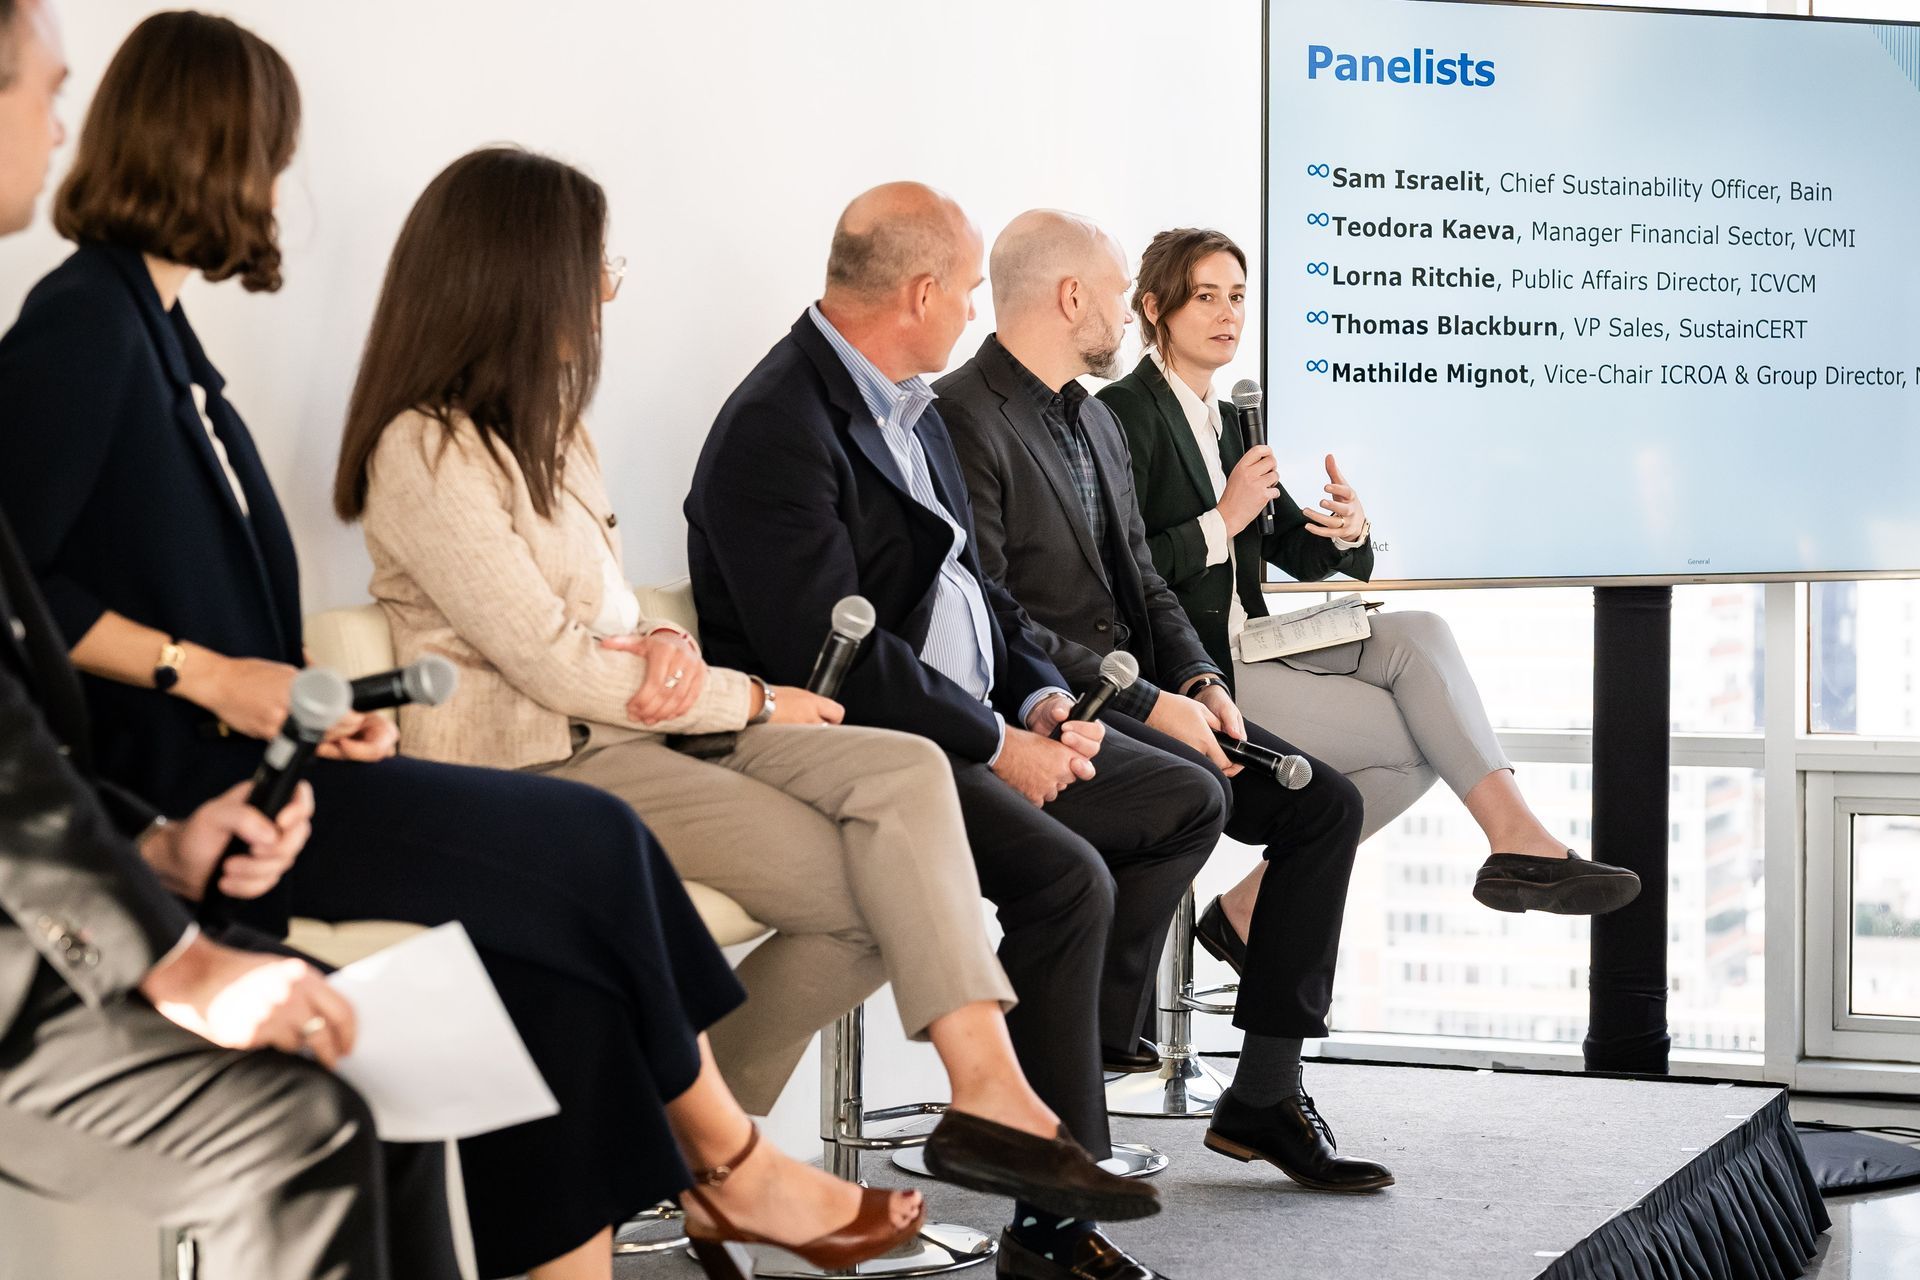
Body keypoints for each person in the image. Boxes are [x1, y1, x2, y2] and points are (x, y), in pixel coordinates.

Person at [0, 13, 927, 1280]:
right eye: (273, 156)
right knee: (596, 842)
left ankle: (693, 1186)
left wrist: (299, 699)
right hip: (202, 796)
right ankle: (730, 1161)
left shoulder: (161, 338)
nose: (280, 188)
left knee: (562, 990)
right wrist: (207, 676)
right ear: (214, 146)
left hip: (279, 766)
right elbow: (21, 587)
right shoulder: (82, 326)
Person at [332, 146, 1154, 1225]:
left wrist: (664, 643)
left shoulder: (551, 429)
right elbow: (550, 661)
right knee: (899, 876)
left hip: (633, 731)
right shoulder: (425, 451)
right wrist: (746, 696)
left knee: (895, 820)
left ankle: (905, 1108)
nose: (609, 289)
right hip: (536, 763)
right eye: (597, 263)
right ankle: (746, 1144)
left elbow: (605, 619)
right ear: (521, 272)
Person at [687, 181, 1228, 1280]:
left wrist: (1041, 703)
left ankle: (1057, 1076)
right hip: (861, 745)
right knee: (1064, 881)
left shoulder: (914, 409)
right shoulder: (776, 424)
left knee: (1181, 797)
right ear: (921, 293)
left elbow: (985, 598)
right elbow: (830, 654)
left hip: (967, 721)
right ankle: (1049, 1211)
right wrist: (994, 741)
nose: (977, 310)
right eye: (970, 289)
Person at [0, 4, 456, 1275]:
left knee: (391, 1064)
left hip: (155, 821)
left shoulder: (161, 336)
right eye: (45, 92)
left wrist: (156, 840)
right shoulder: (83, 323)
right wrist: (162, 936)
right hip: (106, 854)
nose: (61, 127)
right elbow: (33, 655)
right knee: (324, 1113)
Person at [939, 208, 1393, 1193]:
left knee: (1325, 806)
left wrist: (1198, 681)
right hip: (1048, 703)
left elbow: (1144, 584)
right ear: (1074, 297)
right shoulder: (964, 414)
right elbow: (993, 613)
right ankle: (1084, 1046)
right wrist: (1150, 702)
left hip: (1146, 690)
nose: (1123, 312)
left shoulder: (1093, 419)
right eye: (1116, 292)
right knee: (1193, 791)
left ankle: (1264, 1094)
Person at [1099, 226, 1641, 919]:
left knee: (1422, 631)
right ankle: (1249, 911)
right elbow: (1121, 569)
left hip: (1253, 637)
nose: (1228, 314)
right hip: (1196, 666)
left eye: (1236, 296)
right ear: (1154, 307)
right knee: (1419, 741)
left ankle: (1515, 841)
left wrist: (1349, 530)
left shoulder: (1232, 419)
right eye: (1206, 297)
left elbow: (1291, 546)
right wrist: (1223, 519)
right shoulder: (1121, 414)